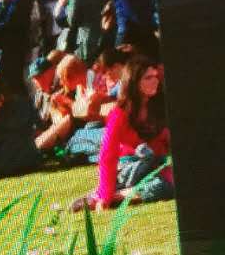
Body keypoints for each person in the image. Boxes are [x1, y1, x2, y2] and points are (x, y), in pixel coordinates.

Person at [72, 58, 173, 211]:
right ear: (134, 82)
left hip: (156, 166)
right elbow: (108, 155)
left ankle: (120, 196)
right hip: (130, 167)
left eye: (156, 77)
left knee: (172, 183)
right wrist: (105, 193)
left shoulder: (160, 108)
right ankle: (108, 195)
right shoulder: (119, 114)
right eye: (148, 78)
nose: (155, 81)